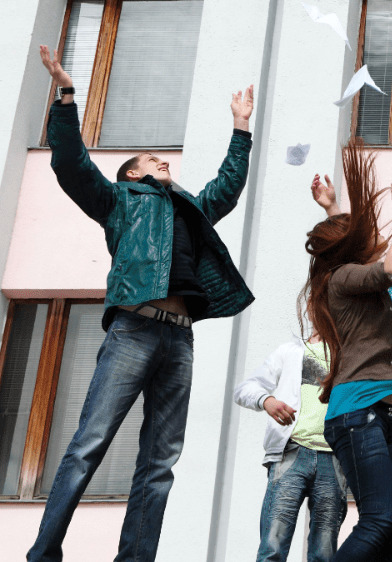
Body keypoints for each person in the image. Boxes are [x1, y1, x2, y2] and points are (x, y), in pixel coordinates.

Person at [29, 46, 255, 561]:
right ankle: (44, 553)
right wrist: (66, 94)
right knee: (90, 444)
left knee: (161, 462)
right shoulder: (118, 202)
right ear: (132, 175)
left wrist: (240, 128)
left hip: (179, 338)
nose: (165, 162)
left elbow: (227, 188)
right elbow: (69, 163)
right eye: (154, 161)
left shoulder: (191, 209)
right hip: (134, 330)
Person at [303, 142, 392, 561]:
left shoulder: (382, 288)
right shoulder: (343, 278)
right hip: (355, 412)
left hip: (384, 412)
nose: (380, 238)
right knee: (379, 519)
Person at [230, 176, 352, 562]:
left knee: (323, 553)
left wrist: (334, 211)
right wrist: (267, 401)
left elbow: (354, 265)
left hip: (335, 458)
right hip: (291, 453)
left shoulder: (353, 351)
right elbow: (244, 388)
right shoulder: (290, 352)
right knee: (272, 549)